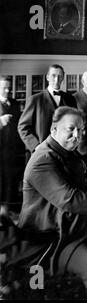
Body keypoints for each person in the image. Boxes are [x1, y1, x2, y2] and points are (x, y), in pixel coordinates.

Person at [18, 107, 87, 300]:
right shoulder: (42, 160)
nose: (77, 135)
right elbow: (69, 198)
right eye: (71, 129)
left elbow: (83, 183)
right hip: (48, 239)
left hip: (70, 226)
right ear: (54, 130)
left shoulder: (66, 151)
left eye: (81, 130)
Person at [18, 64, 76, 155]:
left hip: (65, 153)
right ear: (47, 77)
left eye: (59, 76)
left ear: (63, 78)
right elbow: (23, 127)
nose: (56, 80)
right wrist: (36, 146)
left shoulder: (70, 99)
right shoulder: (35, 99)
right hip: (42, 153)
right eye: (53, 76)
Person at [0, 76, 25, 220]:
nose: (8, 90)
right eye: (4, 88)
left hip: (13, 151)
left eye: (9, 87)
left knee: (11, 181)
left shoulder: (15, 103)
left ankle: (7, 211)